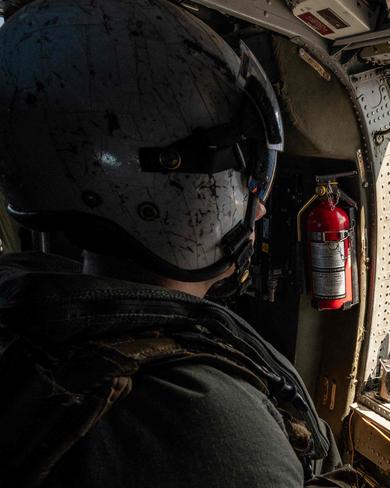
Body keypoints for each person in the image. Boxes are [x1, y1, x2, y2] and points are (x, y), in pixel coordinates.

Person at [0, 0, 357, 486]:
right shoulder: (210, 432)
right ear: (168, 179)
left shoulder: (24, 296)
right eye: (250, 175)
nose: (260, 208)